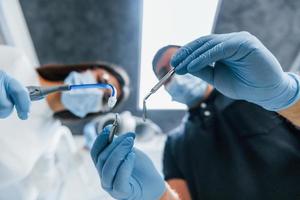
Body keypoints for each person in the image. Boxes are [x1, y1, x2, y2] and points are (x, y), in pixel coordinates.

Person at [90, 32, 300, 200]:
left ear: (199, 62)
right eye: (164, 73)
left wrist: (285, 95)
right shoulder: (174, 143)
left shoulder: (254, 95)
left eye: (177, 63)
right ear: (162, 87)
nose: (172, 73)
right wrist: (156, 195)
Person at [0, 45, 129, 199]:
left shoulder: (50, 135)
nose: (96, 91)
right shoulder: (15, 62)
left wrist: (84, 151)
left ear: (97, 111)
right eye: (101, 81)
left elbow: (45, 183)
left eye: (105, 98)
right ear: (88, 69)